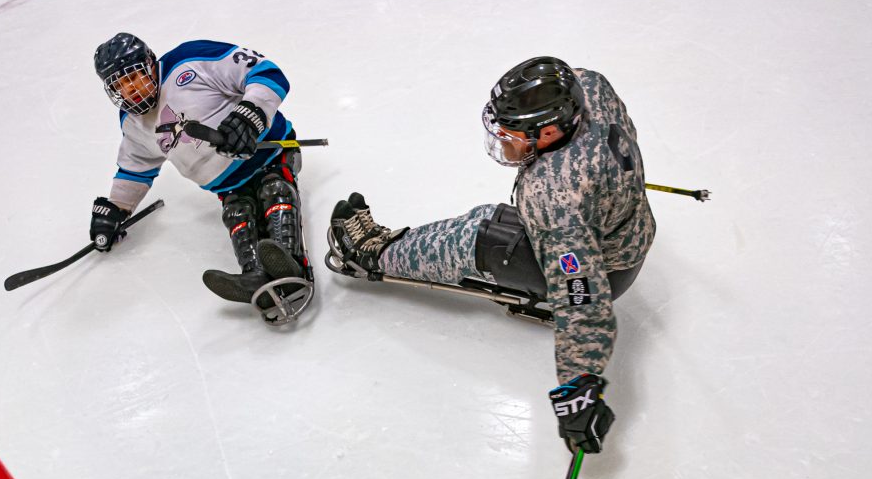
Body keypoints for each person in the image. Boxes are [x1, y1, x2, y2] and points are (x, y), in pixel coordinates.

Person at [326, 56, 655, 453]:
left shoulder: (554, 195)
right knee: (499, 223)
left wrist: (578, 388)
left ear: (549, 132)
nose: (504, 141)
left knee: (479, 233)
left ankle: (373, 252)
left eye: (512, 134)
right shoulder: (590, 86)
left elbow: (582, 296)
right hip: (628, 232)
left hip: (606, 268)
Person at [89, 33, 314, 323]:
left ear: (149, 64)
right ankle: (254, 273)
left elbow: (266, 72)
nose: (129, 91)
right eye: (118, 86)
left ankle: (290, 264)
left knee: (274, 190)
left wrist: (250, 116)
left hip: (269, 154)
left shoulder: (190, 59)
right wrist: (116, 208)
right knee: (238, 213)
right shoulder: (132, 122)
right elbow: (136, 166)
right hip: (229, 186)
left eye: (133, 78)